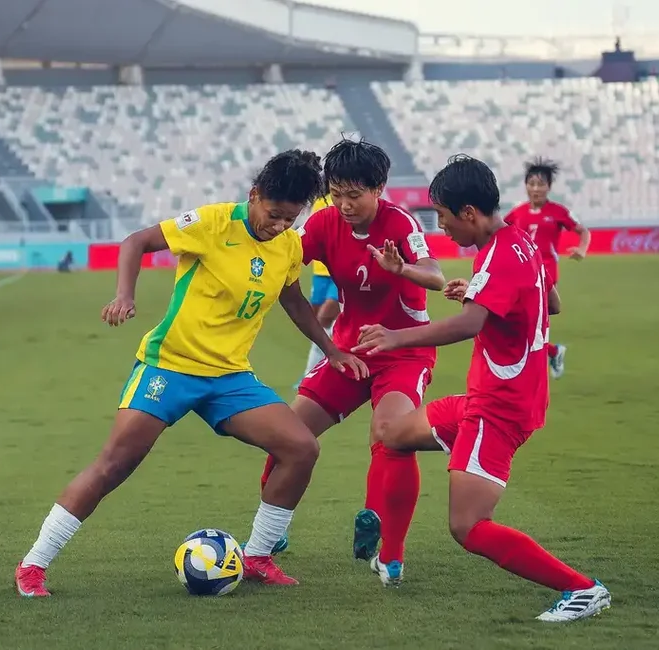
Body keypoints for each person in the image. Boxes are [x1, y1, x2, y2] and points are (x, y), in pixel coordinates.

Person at [14, 150, 368, 598]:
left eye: (290, 219)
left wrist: (331, 350)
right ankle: (33, 565)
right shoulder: (212, 222)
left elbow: (293, 299)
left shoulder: (288, 245)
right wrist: (125, 295)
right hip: (170, 366)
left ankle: (258, 556)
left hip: (230, 378)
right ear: (254, 195)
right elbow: (135, 242)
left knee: (300, 448)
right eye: (274, 214)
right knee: (115, 464)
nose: (280, 226)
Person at [355, 154, 610, 622]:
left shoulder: (500, 253)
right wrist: (481, 289)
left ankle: (582, 589)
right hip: (488, 399)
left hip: (499, 409)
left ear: (469, 212)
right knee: (392, 436)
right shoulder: (519, 240)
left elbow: (471, 324)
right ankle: (390, 559)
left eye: (444, 217)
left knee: (467, 526)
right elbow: (550, 301)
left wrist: (397, 337)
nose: (442, 227)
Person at [258, 138, 445, 585]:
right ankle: (272, 529)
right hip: (349, 350)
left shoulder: (400, 222)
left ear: (379, 189)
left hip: (403, 352)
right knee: (288, 435)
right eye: (336, 193)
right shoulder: (324, 222)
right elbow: (282, 259)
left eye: (354, 195)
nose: (343, 205)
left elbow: (436, 276)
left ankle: (389, 553)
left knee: (391, 435)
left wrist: (402, 269)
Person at [505, 159, 590, 379]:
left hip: (546, 275)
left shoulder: (558, 211)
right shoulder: (517, 213)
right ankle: (552, 352)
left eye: (541, 184)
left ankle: (533, 367)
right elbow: (499, 233)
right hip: (520, 274)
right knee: (519, 323)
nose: (536, 188)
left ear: (549, 187)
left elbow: (583, 231)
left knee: (529, 324)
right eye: (531, 183)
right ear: (526, 185)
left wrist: (582, 249)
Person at [298, 195, 342, 383]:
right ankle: (314, 372)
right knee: (318, 323)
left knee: (324, 319)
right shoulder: (319, 202)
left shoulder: (343, 202)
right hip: (320, 272)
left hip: (338, 273)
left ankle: (314, 375)